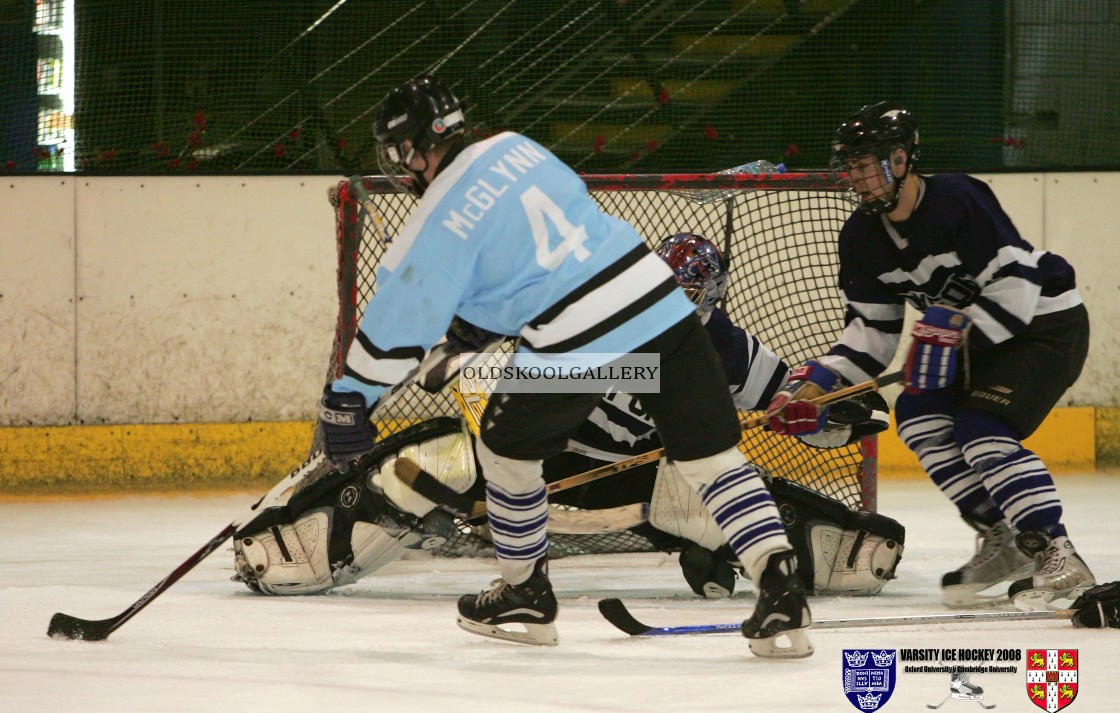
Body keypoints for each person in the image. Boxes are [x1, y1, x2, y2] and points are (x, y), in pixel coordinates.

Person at [316, 74, 813, 657]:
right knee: (712, 460)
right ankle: (782, 589)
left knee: (503, 451)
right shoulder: (516, 147)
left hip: (578, 338)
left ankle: (525, 593)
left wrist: (348, 400)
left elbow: (394, 334)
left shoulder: (432, 222)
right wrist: (482, 321)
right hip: (661, 301)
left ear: (412, 149)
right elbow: (543, 253)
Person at [231, 233, 900, 602]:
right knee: (432, 464)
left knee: (709, 488)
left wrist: (828, 413)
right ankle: (295, 542)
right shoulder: (595, 311)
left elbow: (799, 398)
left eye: (684, 299)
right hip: (533, 457)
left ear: (709, 304)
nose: (665, 308)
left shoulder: (727, 349)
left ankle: (830, 552)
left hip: (626, 483)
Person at [765, 102, 1095, 611]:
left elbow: (1017, 286)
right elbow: (872, 330)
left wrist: (953, 334)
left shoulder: (957, 198)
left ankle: (1055, 550)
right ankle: (1003, 537)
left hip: (1043, 327)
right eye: (850, 167)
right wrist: (818, 380)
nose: (857, 178)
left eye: (866, 164)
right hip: (974, 342)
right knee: (917, 416)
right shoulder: (860, 236)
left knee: (981, 429)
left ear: (900, 159)